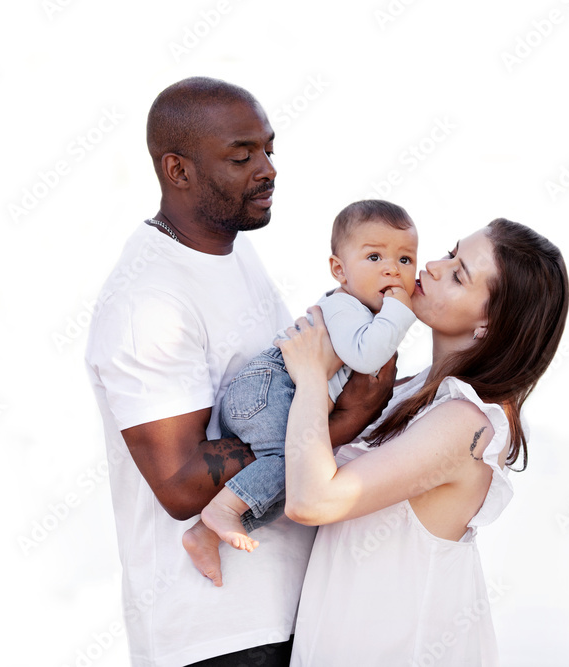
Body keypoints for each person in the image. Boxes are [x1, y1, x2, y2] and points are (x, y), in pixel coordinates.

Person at [84, 77, 394, 667]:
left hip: (293, 610)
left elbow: (282, 390)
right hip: (219, 630)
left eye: (269, 149)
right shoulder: (147, 301)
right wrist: (346, 417)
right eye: (241, 155)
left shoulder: (231, 248)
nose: (268, 169)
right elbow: (178, 483)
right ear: (178, 171)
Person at [275, 219, 569, 665]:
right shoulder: (409, 389)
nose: (431, 265)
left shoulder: (465, 423)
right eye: (450, 253)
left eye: (458, 273)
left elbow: (313, 501)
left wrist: (312, 376)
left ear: (490, 323)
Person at [182, 199, 419, 585]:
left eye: (405, 260)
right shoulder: (346, 306)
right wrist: (401, 310)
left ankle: (205, 532)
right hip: (268, 388)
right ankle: (222, 510)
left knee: (298, 480)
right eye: (374, 257)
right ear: (339, 270)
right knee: (289, 463)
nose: (392, 268)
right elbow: (366, 355)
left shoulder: (368, 315)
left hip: (275, 397)